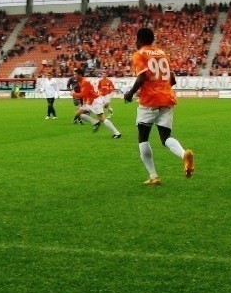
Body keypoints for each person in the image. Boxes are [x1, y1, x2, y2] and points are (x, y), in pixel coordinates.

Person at [124, 28, 194, 184]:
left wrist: (130, 93)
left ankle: (153, 176)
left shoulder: (139, 54)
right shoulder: (162, 53)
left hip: (149, 100)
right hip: (167, 99)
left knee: (143, 137)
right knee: (165, 137)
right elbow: (173, 79)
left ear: (139, 40)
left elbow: (141, 77)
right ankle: (184, 154)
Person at [73, 68, 121, 138]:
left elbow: (82, 94)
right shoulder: (83, 81)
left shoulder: (85, 82)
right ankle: (95, 122)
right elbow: (87, 93)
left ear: (80, 75)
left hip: (95, 101)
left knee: (102, 118)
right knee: (78, 114)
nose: (74, 76)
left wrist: (73, 94)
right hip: (90, 101)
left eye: (75, 74)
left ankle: (117, 133)